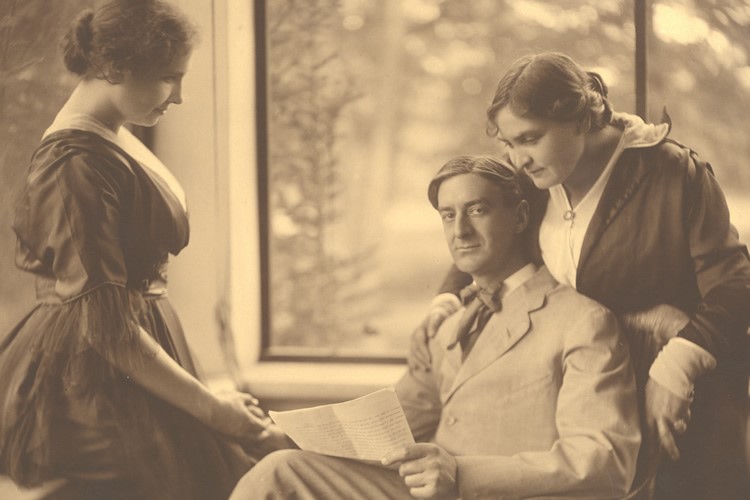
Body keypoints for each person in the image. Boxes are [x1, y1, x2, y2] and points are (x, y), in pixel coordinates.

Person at [413, 52, 750, 499]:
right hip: (575, 416)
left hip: (675, 408)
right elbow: (483, 237)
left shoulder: (672, 173)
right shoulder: (532, 181)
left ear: (580, 119)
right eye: (509, 144)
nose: (519, 159)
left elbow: (735, 286)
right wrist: (448, 300)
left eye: (530, 139)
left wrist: (676, 368)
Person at [0, 2, 288, 499]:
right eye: (167, 79)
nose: (179, 97)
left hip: (137, 345)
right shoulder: (73, 164)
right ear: (114, 68)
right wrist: (215, 410)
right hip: (93, 370)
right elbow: (102, 326)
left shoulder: (111, 136)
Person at [229, 155, 641, 499]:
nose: (460, 230)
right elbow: (397, 428)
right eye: (448, 215)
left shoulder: (582, 321)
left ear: (519, 218)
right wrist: (297, 440)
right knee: (281, 468)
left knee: (278, 475)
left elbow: (604, 461)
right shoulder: (448, 326)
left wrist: (461, 473)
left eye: (476, 210)